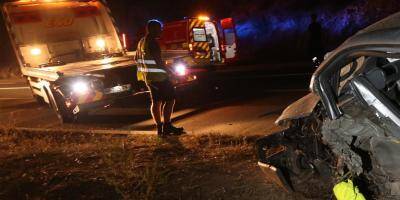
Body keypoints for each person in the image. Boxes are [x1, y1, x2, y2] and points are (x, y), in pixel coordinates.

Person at [136, 20, 184, 137]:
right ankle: (167, 125)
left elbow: (136, 58)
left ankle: (160, 128)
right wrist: (171, 73)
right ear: (152, 29)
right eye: (159, 29)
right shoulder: (152, 43)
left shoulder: (142, 42)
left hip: (149, 78)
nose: (161, 31)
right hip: (160, 78)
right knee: (170, 99)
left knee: (156, 102)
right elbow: (159, 62)